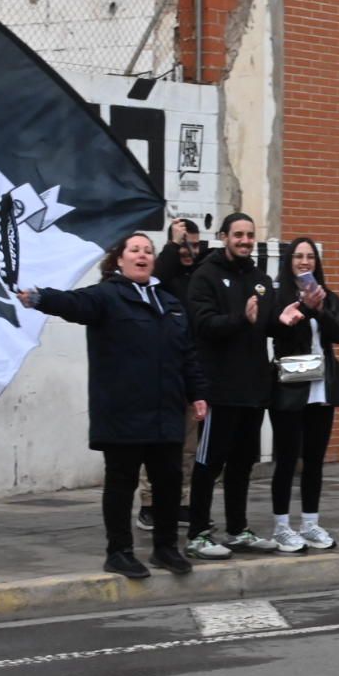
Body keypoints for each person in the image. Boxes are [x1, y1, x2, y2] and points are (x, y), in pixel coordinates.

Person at [18, 232, 208, 578]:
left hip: (165, 411)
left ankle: (165, 549)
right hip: (124, 411)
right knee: (122, 482)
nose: (143, 255)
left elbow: (188, 355)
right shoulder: (107, 296)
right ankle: (118, 552)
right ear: (119, 259)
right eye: (134, 250)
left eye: (148, 251)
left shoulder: (170, 302)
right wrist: (40, 298)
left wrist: (198, 393)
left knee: (168, 480)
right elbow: (73, 304)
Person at [186, 212, 281, 557]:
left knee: (242, 465)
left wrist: (284, 320)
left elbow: (267, 325)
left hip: (253, 390)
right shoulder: (205, 276)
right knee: (209, 463)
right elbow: (204, 325)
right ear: (224, 236)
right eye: (238, 234)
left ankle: (238, 530)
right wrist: (242, 318)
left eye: (249, 235)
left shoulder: (260, 279)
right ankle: (197, 533)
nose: (244, 241)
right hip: (219, 390)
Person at [268, 237, 339, 552]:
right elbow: (275, 332)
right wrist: (300, 308)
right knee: (287, 459)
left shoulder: (329, 298)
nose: (304, 262)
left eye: (310, 257)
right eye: (298, 256)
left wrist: (318, 310)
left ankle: (311, 523)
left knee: (315, 460)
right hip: (290, 385)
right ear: (289, 262)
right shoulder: (280, 297)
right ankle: (282, 526)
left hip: (321, 387)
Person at [137, 216, 205, 532]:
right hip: (160, 374)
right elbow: (157, 276)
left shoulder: (201, 276)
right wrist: (171, 246)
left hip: (190, 374)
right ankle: (149, 504)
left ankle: (181, 502)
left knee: (188, 446)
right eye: (184, 244)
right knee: (155, 442)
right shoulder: (162, 277)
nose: (190, 250)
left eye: (195, 243)